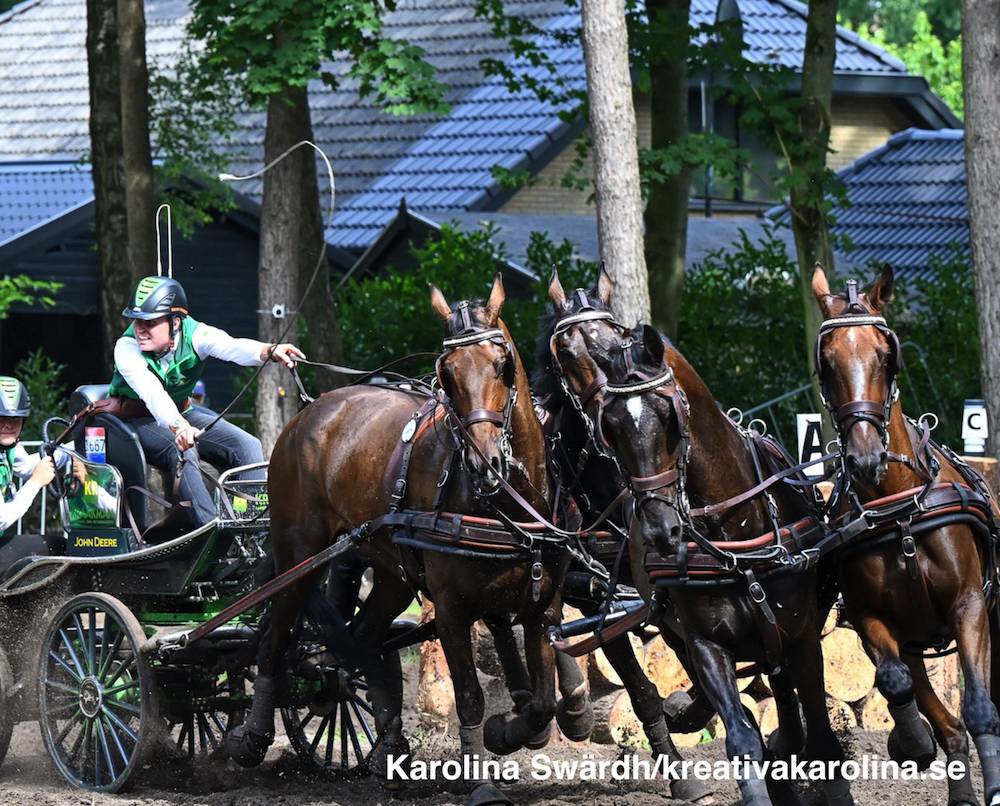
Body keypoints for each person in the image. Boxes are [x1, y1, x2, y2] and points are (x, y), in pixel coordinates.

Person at [106, 276, 303, 529]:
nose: (140, 329)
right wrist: (179, 427)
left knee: (247, 445)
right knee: (183, 448)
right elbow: (152, 394)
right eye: (137, 321)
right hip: (136, 420)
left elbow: (232, 347)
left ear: (175, 322)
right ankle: (211, 529)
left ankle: (250, 524)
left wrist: (270, 351)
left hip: (182, 412)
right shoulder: (127, 347)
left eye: (150, 322)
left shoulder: (196, 334)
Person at [0, 376, 68, 572]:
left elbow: (31, 467)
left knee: (60, 546)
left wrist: (78, 449)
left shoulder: (8, 448)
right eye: (1, 417)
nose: (8, 425)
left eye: (15, 418)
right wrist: (36, 483)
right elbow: (2, 518)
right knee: (55, 551)